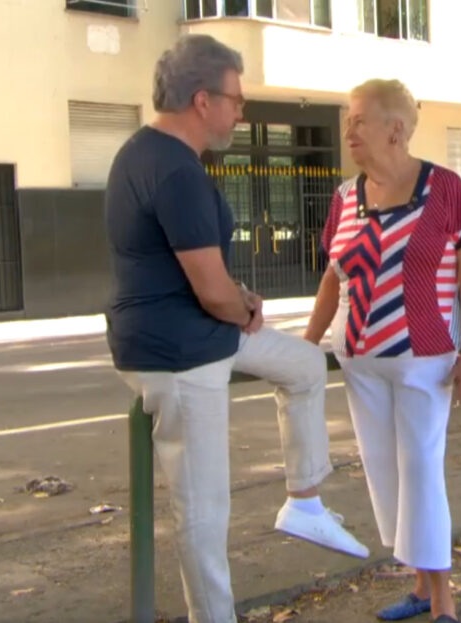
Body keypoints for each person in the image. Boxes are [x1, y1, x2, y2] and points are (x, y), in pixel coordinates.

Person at [104, 35, 368, 623]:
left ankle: (304, 500)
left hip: (203, 333)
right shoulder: (174, 170)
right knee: (202, 513)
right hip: (179, 353)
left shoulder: (150, 155)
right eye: (236, 100)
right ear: (203, 100)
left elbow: (205, 274)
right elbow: (207, 287)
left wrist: (238, 298)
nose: (240, 111)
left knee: (303, 365)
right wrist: (239, 304)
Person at [303, 79, 461, 623]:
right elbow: (333, 279)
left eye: (359, 120)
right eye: (347, 121)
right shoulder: (343, 198)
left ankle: (444, 604)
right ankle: (421, 587)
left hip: (424, 358)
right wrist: (305, 348)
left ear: (396, 130)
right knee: (386, 474)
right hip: (359, 359)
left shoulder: (445, 188)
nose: (348, 131)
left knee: (422, 469)